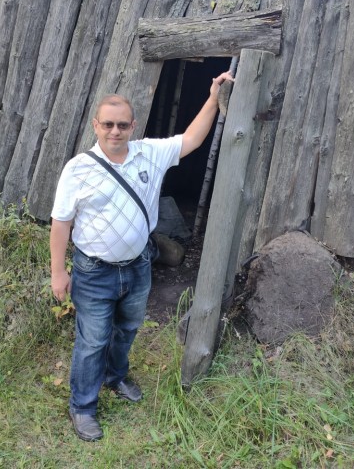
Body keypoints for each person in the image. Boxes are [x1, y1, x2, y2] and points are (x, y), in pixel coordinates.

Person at [50, 72, 234, 441]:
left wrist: (214, 97)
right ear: (95, 125)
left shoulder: (148, 153)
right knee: (92, 341)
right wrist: (58, 272)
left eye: (122, 125)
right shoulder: (78, 169)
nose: (115, 131)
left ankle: (115, 376)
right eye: (108, 124)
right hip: (94, 271)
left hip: (138, 267)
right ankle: (82, 406)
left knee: (128, 328)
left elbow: (192, 139)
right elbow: (61, 223)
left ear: (133, 126)